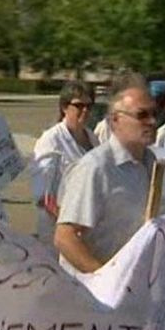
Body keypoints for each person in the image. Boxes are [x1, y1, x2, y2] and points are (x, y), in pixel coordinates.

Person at [54, 76, 165, 274]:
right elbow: (65, 238)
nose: (152, 121)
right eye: (141, 115)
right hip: (95, 295)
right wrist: (105, 281)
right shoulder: (95, 168)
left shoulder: (156, 165)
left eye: (154, 114)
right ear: (116, 120)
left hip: (138, 286)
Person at [30, 81, 99, 245]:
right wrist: (70, 223)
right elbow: (44, 197)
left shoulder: (93, 139)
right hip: (59, 230)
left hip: (87, 225)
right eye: (79, 105)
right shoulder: (51, 140)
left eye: (89, 106)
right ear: (64, 107)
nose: (85, 110)